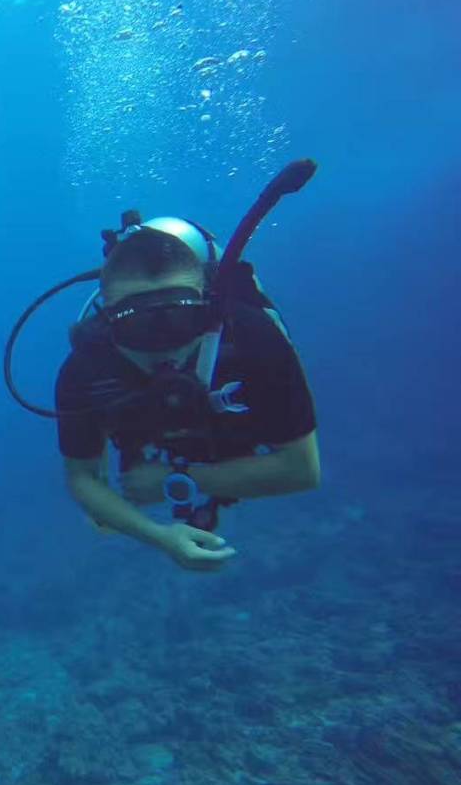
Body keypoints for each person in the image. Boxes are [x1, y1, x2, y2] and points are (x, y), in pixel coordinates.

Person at [54, 210, 320, 573]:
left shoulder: (252, 339)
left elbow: (303, 470)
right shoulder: (87, 367)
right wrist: (160, 536)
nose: (162, 345)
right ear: (107, 319)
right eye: (137, 325)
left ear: (206, 310)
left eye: (179, 319)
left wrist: (176, 480)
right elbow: (83, 477)